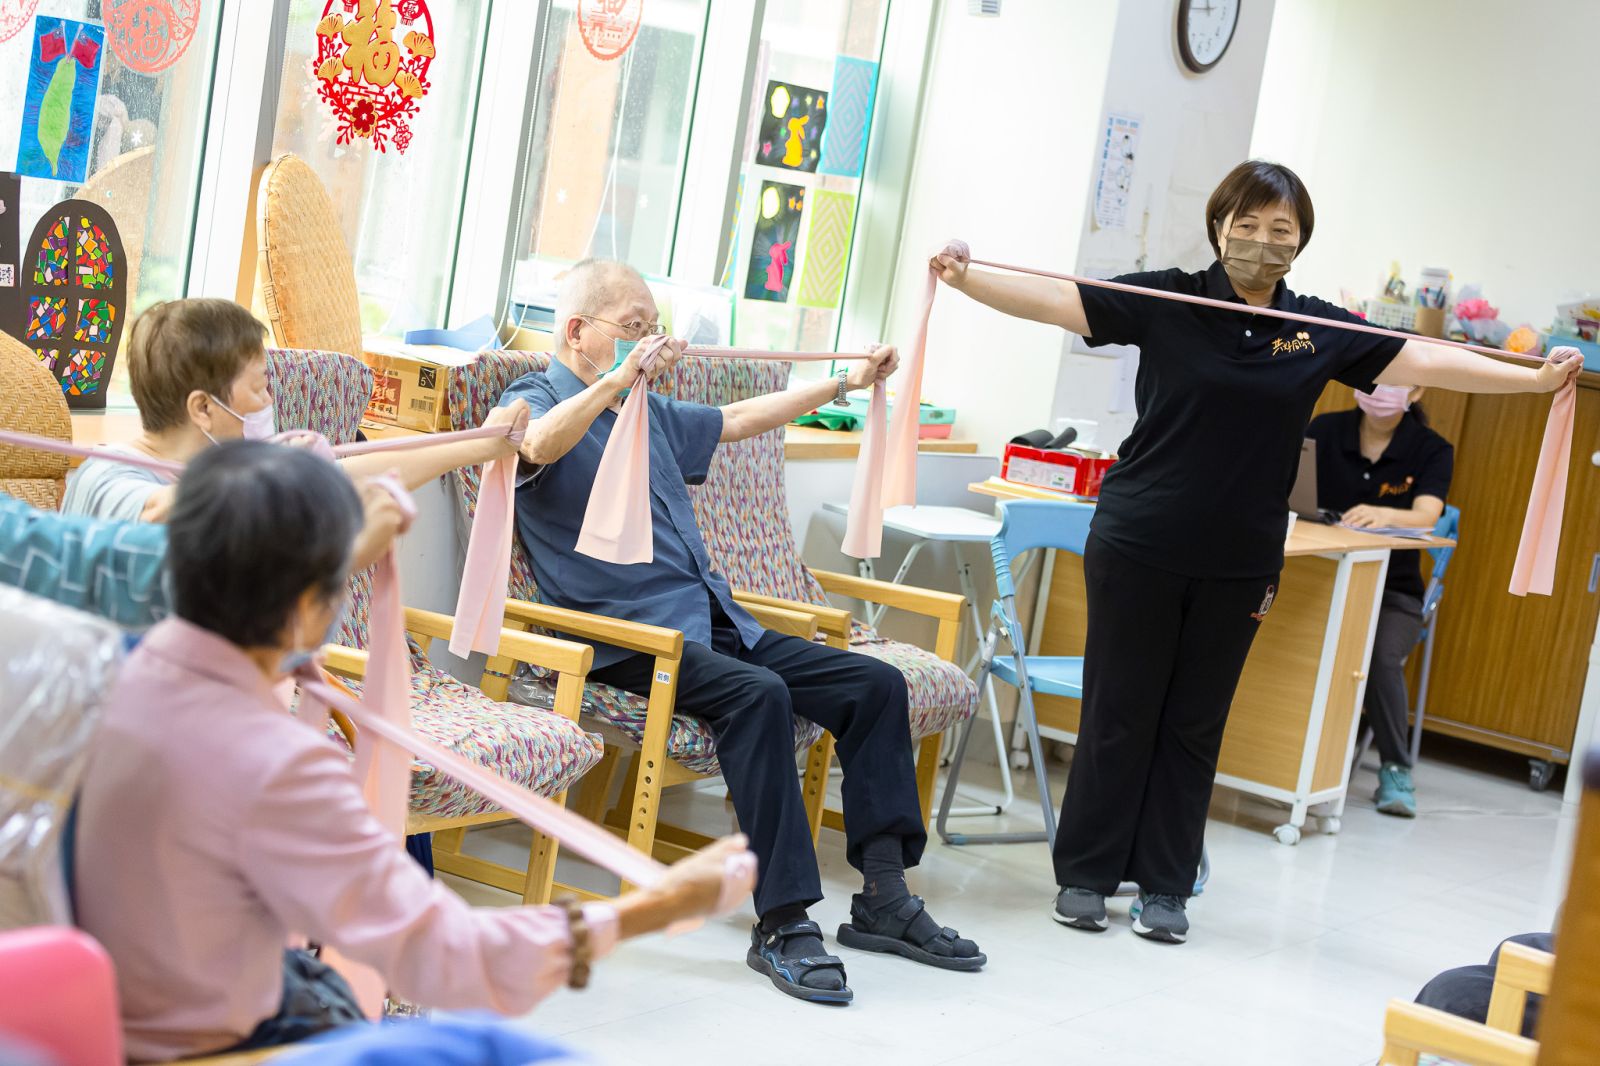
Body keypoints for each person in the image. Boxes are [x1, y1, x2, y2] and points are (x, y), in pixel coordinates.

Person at [931, 159, 1582, 944]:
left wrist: (1535, 380)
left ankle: (1165, 887)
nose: (1262, 241)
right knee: (1118, 713)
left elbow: (1429, 360)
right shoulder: (1171, 298)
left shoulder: (1317, 329)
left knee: (1195, 722)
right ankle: (1087, 875)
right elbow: (1060, 299)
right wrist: (967, 278)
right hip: (1138, 539)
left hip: (1240, 556)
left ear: (1300, 241)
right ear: (1218, 227)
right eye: (1247, 224)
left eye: (1281, 229)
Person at [71, 440, 753, 1063]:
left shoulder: (95, 677)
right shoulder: (277, 763)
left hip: (97, 1020)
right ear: (310, 607)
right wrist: (651, 908)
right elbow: (449, 957)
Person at [499, 258, 985, 1005]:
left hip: (714, 621)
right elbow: (533, 447)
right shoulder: (538, 396)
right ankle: (783, 923)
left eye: (653, 327)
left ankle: (884, 893)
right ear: (576, 330)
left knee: (874, 684)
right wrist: (618, 379)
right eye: (634, 327)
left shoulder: (649, 411)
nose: (650, 341)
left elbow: (736, 421)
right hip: (625, 641)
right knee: (758, 697)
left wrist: (846, 383)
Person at [62, 298, 527, 524]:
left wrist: (477, 445)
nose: (269, 403)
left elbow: (357, 476)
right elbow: (156, 514)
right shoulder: (107, 474)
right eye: (260, 387)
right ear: (203, 407)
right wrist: (275, 472)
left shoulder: (226, 475)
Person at [1307, 385, 1453, 817]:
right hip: (1322, 575)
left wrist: (1385, 513)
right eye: (1374, 379)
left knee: (1376, 657)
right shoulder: (1325, 429)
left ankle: (1395, 768)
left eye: (1395, 381)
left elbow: (1427, 515)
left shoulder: (1431, 449)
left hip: (1393, 591)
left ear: (1416, 390)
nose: (1381, 391)